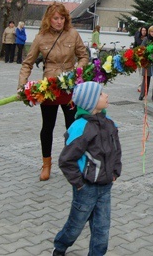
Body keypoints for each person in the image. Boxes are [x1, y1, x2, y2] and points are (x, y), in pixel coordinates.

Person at [18, 3, 88, 181]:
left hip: (70, 86)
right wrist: (22, 84)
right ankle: (46, 164)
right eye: (55, 18)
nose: (59, 22)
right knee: (47, 127)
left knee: (73, 127)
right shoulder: (41, 37)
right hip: (49, 88)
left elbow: (84, 56)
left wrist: (78, 70)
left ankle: (72, 163)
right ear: (49, 19)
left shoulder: (73, 34)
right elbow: (28, 62)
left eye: (62, 18)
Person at [52, 81, 121, 256]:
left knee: (102, 228)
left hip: (105, 187)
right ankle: (60, 246)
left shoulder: (110, 123)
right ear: (90, 102)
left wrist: (115, 171)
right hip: (86, 188)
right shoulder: (80, 127)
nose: (106, 95)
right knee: (75, 225)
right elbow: (66, 160)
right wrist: (79, 183)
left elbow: (116, 150)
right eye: (100, 94)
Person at [138, 25, 153, 101]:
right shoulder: (146, 39)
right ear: (149, 32)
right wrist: (146, 52)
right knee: (146, 78)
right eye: (152, 31)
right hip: (147, 61)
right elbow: (141, 48)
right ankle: (142, 94)